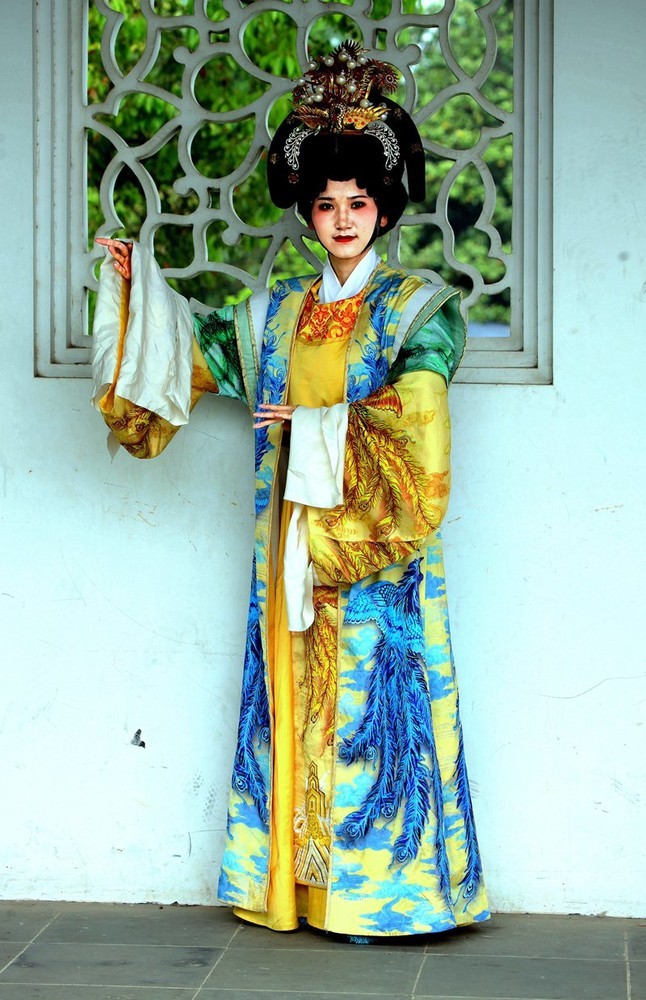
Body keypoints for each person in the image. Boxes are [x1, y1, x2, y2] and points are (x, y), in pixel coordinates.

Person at [92, 41, 490, 938]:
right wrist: (136, 292)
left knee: (375, 713)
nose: (342, 220)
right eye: (326, 205)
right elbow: (191, 353)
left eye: (358, 203)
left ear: (382, 208)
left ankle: (385, 900)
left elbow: (418, 417)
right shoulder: (276, 313)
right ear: (308, 213)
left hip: (373, 558)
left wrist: (313, 427)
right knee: (290, 701)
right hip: (290, 548)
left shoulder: (419, 308)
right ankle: (298, 889)